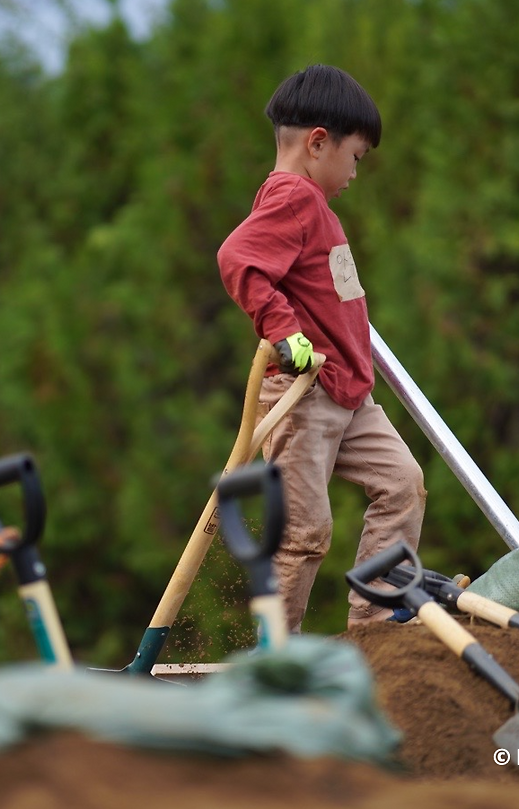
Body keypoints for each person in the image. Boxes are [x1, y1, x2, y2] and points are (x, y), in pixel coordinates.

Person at [217, 63, 427, 633]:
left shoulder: (314, 208)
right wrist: (284, 332)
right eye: (356, 157)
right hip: (303, 396)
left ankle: (377, 622)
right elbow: (239, 260)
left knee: (402, 484)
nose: (356, 173)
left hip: (348, 395)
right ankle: (276, 661)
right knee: (304, 535)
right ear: (318, 143)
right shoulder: (293, 197)